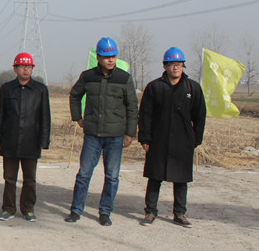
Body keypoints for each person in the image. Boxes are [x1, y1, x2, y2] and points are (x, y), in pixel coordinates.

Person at [65, 37, 138, 226]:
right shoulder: (88, 76)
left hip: (115, 136)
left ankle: (105, 212)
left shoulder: (124, 78)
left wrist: (130, 133)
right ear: (98, 57)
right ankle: (76, 210)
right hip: (93, 136)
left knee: (112, 176)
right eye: (106, 57)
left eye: (113, 56)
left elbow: (132, 107)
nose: (110, 60)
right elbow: (74, 95)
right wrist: (77, 117)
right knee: (84, 174)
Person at [138, 47, 206, 228]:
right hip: (158, 140)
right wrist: (145, 138)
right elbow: (145, 115)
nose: (176, 67)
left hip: (183, 141)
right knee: (155, 177)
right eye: (171, 64)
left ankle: (180, 213)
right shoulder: (155, 87)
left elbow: (200, 115)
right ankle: (150, 211)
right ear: (165, 66)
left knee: (181, 179)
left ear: (183, 66)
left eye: (179, 64)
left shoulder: (192, 88)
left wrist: (196, 139)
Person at [0, 52, 50, 222]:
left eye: (29, 67)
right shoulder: (7, 89)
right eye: (22, 66)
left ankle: (28, 209)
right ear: (15, 69)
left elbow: (45, 117)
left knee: (30, 179)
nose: (26, 70)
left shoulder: (40, 90)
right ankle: (8, 208)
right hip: (10, 140)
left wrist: (44, 140)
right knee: (9, 178)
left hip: (31, 141)